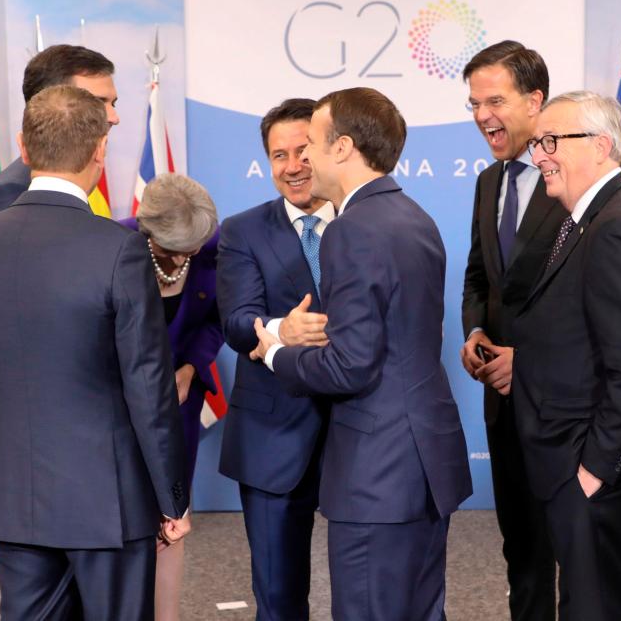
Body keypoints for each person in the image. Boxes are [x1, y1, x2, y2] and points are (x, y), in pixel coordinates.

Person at [0, 85, 190, 621]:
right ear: (100, 150)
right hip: (109, 499)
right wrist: (172, 497)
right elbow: (148, 385)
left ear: (25, 148)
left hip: (10, 493)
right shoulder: (119, 248)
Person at [250, 87, 473, 621]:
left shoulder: (350, 230)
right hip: (421, 465)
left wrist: (276, 351)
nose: (302, 160)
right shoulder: (413, 215)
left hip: (377, 475)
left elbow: (349, 365)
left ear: (343, 147)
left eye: (312, 145)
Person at [513, 91, 621, 620]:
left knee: (598, 609)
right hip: (581, 454)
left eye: (551, 141)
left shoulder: (617, 224)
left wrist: (595, 469)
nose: (539, 154)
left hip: (600, 465)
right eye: (537, 143)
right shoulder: (593, 216)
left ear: (601, 145)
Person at [459, 41, 566, 621]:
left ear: (534, 101)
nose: (482, 115)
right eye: (475, 103)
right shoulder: (488, 182)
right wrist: (474, 332)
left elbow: (586, 300)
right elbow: (480, 276)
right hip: (501, 402)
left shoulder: (578, 181)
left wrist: (527, 356)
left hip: (563, 401)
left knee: (575, 552)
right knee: (521, 547)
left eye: (494, 100)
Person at [216, 98, 332, 620]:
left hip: (361, 429)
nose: (292, 167)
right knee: (280, 597)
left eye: (303, 151)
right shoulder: (243, 230)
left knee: (373, 590)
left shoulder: (366, 219)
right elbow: (238, 322)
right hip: (273, 432)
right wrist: (278, 331)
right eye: (278, 155)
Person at [121, 172, 221, 621]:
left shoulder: (213, 246)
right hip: (119, 411)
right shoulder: (116, 245)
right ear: (149, 231)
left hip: (179, 406)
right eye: (177, 248)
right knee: (123, 516)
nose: (190, 255)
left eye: (196, 246)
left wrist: (189, 368)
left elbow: (218, 319)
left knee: (172, 516)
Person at [0, 44, 120, 221]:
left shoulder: (83, 178)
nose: (114, 117)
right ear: (51, 103)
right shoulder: (10, 192)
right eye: (97, 102)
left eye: (113, 104)